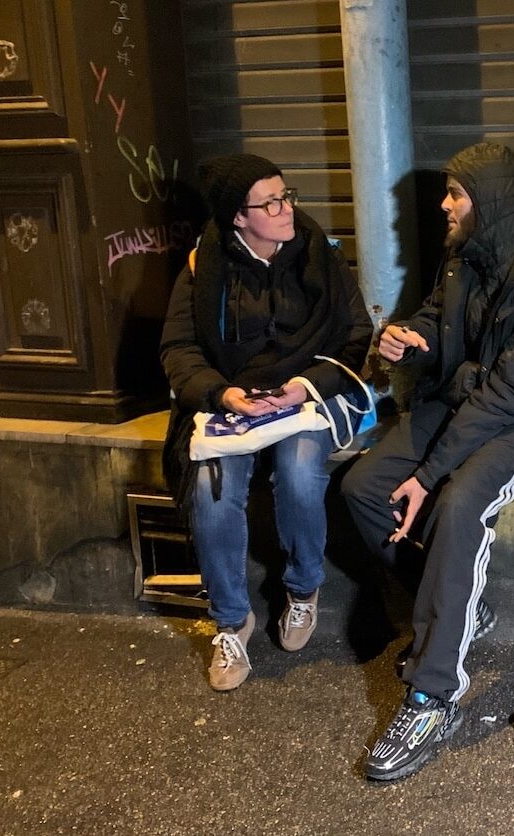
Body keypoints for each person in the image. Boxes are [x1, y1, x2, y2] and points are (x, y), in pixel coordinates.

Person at [340, 142, 514, 782]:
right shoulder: (464, 256)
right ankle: (461, 609)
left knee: (459, 500)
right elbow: (437, 320)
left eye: (456, 194)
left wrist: (428, 474)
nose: (443, 205)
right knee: (365, 486)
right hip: (465, 398)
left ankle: (432, 696)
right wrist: (406, 340)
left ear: (491, 202)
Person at [160, 153, 372, 692]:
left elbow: (356, 336)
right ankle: (232, 622)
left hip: (302, 394)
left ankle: (303, 590)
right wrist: (222, 392)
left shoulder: (318, 254)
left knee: (301, 473)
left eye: (287, 195)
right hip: (232, 402)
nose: (285, 209)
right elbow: (180, 348)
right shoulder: (201, 266)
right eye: (270, 202)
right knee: (212, 493)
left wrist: (304, 387)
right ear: (238, 216)